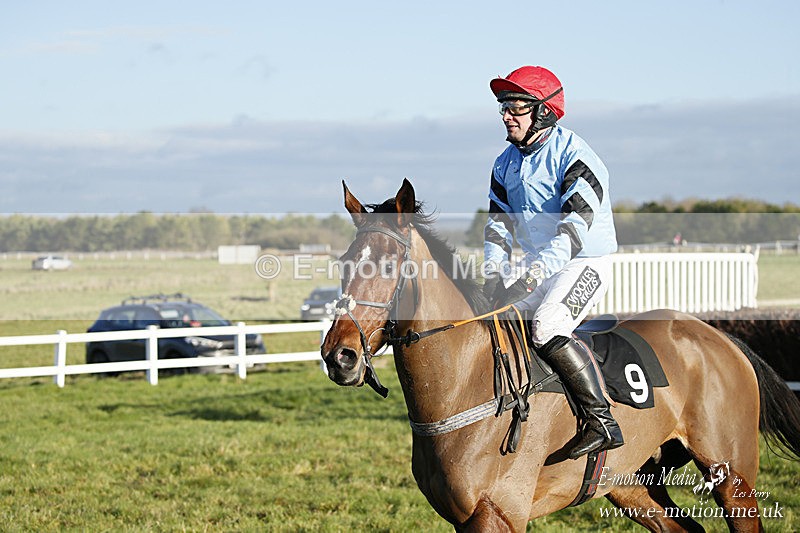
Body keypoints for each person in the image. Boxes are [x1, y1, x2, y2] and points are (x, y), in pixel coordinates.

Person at [482, 65, 623, 459]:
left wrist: (533, 274)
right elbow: (497, 226)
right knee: (494, 318)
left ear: (543, 110)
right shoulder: (504, 162)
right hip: (538, 266)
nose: (507, 114)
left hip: (585, 263)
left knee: (547, 325)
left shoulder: (577, 156)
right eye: (503, 107)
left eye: (516, 106)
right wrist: (494, 273)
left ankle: (601, 421)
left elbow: (574, 230)